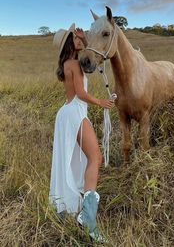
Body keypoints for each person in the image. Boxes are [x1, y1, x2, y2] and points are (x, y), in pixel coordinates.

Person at [49, 23, 114, 242]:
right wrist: (101, 102)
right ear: (69, 43)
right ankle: (87, 216)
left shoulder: (69, 63)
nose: (80, 37)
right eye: (75, 37)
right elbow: (80, 93)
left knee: (85, 159)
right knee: (95, 156)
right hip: (75, 111)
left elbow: (91, 55)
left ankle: (84, 212)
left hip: (68, 113)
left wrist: (85, 41)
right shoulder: (74, 64)